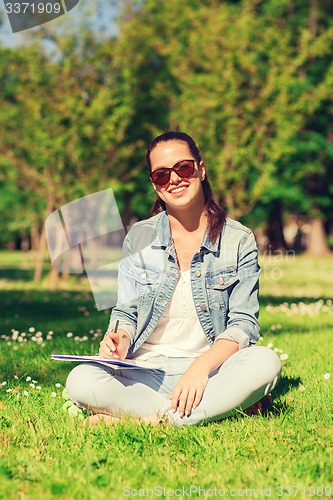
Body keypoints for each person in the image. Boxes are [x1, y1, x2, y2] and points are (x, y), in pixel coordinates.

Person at [66, 131, 281, 426]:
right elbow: (126, 311)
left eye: (183, 168)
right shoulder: (138, 237)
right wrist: (120, 339)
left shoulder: (238, 240)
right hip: (144, 372)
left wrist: (200, 367)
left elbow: (243, 324)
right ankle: (207, 409)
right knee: (81, 379)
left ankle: (148, 419)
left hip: (210, 372)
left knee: (265, 362)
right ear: (155, 185)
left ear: (201, 169)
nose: (175, 179)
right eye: (162, 175)